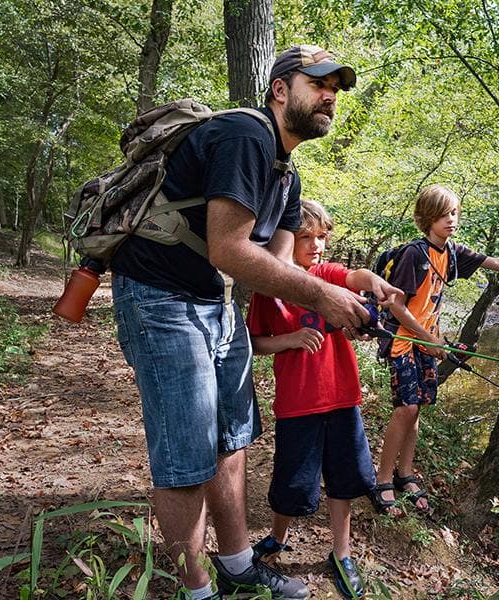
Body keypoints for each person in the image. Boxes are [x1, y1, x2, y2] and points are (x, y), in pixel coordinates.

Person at [110, 45, 389, 600]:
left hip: (217, 306)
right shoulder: (245, 135)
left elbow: (274, 275)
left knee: (232, 440)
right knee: (187, 458)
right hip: (160, 299)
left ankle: (237, 567)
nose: (330, 95)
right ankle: (198, 590)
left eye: (337, 87)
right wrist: (325, 295)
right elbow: (229, 249)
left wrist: (339, 296)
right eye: (318, 83)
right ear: (281, 90)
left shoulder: (288, 177)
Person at [371, 184, 499, 516]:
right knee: (405, 409)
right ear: (426, 218)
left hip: (426, 343)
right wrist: (430, 340)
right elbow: (397, 306)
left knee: (417, 409)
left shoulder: (452, 252)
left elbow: (496, 262)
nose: (451, 220)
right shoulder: (415, 255)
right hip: (402, 340)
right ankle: (383, 479)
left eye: (455, 213)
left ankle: (405, 473)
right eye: (443, 214)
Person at [246, 199, 399, 598]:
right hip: (297, 403)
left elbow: (354, 276)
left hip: (342, 398)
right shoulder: (270, 288)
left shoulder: (325, 275)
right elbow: (253, 342)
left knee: (344, 479)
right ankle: (277, 538)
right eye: (305, 237)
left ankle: (341, 553)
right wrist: (290, 340)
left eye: (322, 237)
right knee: (292, 480)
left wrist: (375, 283)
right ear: (284, 240)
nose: (316, 245)